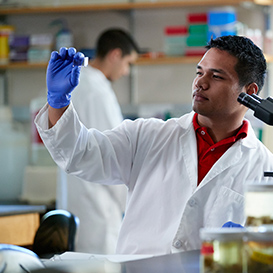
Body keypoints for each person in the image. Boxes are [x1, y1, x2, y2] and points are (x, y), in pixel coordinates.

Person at [35, 35, 273, 255]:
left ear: (250, 92)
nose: (200, 83)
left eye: (216, 76)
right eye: (199, 72)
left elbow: (262, 252)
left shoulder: (263, 167)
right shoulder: (147, 136)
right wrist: (58, 102)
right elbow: (80, 154)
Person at [56, 28, 139, 254]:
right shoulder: (96, 91)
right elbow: (113, 153)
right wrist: (131, 204)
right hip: (97, 205)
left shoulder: (78, 83)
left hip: (77, 198)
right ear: (115, 55)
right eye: (127, 63)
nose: (126, 71)